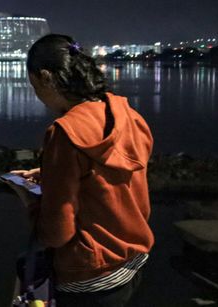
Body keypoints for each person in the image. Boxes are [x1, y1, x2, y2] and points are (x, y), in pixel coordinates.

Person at [11, 34, 154, 307]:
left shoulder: (64, 133)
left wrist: (30, 201)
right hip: (131, 263)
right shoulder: (128, 116)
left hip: (89, 275)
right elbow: (109, 181)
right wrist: (49, 174)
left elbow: (57, 232)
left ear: (45, 78)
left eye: (34, 86)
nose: (38, 96)